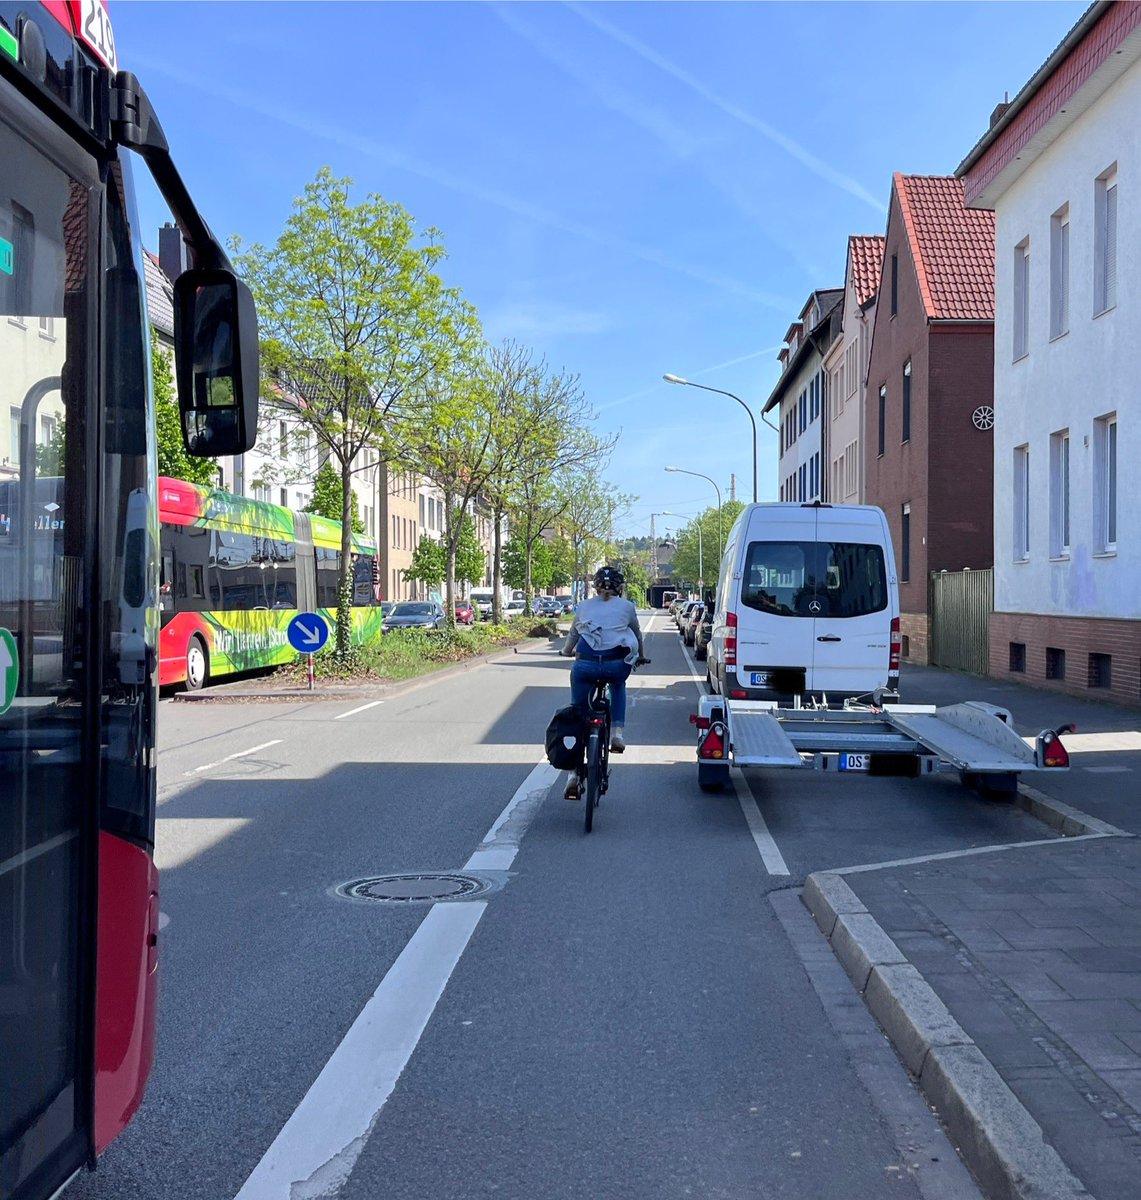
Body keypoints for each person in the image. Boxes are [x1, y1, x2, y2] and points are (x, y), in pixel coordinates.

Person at [559, 565, 646, 798]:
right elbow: (636, 634)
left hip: (585, 665)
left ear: (595, 586)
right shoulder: (627, 607)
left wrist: (567, 651)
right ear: (620, 587)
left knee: (577, 712)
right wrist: (642, 654)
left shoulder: (585, 606)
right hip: (615, 666)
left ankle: (572, 776)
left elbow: (574, 634)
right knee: (618, 684)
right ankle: (617, 733)